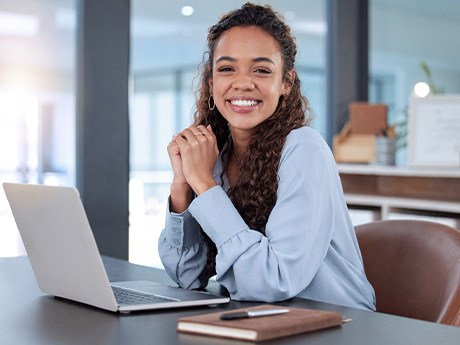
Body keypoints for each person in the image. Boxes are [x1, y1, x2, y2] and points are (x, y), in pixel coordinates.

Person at [158, 2, 375, 311]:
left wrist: (205, 186)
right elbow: (186, 277)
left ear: (286, 82)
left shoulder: (304, 149)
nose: (243, 82)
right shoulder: (215, 155)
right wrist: (183, 184)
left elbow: (273, 280)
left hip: (335, 323)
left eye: (261, 70)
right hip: (263, 318)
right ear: (211, 83)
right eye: (227, 68)